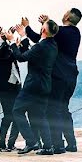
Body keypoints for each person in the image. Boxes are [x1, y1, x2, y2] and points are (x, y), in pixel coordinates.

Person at [25, 8, 82, 153]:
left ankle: (57, 145)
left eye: (65, 12)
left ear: (68, 16)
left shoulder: (62, 32)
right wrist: (47, 22)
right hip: (71, 75)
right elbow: (52, 34)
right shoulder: (76, 33)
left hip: (59, 76)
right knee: (63, 109)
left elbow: (42, 40)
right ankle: (71, 143)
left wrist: (27, 27)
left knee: (53, 109)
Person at [10, 19, 59, 154]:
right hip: (45, 85)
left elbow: (20, 57)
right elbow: (31, 54)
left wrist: (13, 42)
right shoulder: (53, 45)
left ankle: (31, 142)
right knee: (40, 116)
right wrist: (24, 36)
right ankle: (48, 147)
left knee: (17, 111)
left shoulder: (40, 47)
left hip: (33, 86)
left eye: (42, 26)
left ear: (43, 30)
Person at [0, 26, 24, 152]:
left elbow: (18, 57)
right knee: (8, 116)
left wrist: (15, 45)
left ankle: (11, 143)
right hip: (5, 87)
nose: (4, 34)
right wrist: (8, 41)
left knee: (18, 114)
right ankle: (1, 143)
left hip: (16, 85)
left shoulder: (9, 46)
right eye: (2, 34)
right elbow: (2, 54)